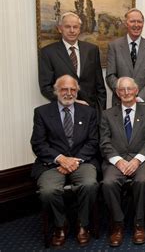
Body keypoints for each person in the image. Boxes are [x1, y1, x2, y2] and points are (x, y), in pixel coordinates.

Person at [31, 75, 99, 247]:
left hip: (82, 161)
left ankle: (83, 224)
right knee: (48, 191)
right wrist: (61, 159)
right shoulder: (42, 112)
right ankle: (60, 225)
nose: (68, 93)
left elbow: (93, 141)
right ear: (56, 91)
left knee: (90, 184)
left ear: (77, 91)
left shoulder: (89, 112)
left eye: (73, 89)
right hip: (52, 163)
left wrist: (74, 161)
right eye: (64, 89)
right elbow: (38, 143)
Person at [100, 77, 145, 246]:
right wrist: (118, 161)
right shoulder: (107, 114)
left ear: (136, 90)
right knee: (108, 183)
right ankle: (118, 224)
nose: (126, 93)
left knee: (143, 180)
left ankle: (139, 224)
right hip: (116, 161)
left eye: (129, 89)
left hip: (141, 160)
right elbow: (104, 142)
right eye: (122, 90)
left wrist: (137, 160)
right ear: (117, 93)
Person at [39, 12, 106, 112]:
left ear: (79, 29)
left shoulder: (92, 50)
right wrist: (72, 101)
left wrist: (100, 113)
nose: (72, 30)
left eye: (75, 27)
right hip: (63, 110)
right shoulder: (48, 52)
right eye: (67, 27)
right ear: (60, 29)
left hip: (90, 111)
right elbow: (46, 87)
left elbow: (100, 87)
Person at [106, 8, 145, 105]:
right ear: (126, 24)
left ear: (143, 24)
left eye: (139, 22)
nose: (136, 25)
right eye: (132, 21)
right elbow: (110, 76)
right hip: (120, 102)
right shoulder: (114, 46)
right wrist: (125, 93)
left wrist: (140, 98)